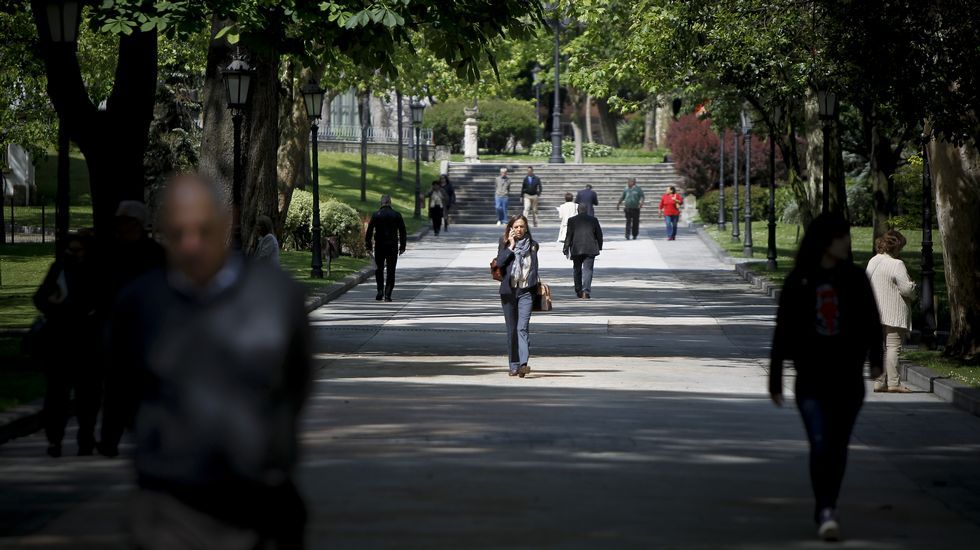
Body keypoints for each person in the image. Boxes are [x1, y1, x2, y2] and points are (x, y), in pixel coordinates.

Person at [108, 174, 311, 548]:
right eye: (178, 233)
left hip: (259, 499)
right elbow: (124, 385)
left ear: (225, 225)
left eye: (202, 230)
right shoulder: (141, 303)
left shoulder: (277, 297)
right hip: (170, 503)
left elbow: (297, 382)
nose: (191, 245)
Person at [769, 213, 884, 542]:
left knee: (837, 445)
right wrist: (775, 378)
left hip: (847, 379)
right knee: (820, 444)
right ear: (824, 240)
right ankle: (825, 509)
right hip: (811, 379)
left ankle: (829, 503)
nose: (847, 242)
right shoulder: (800, 280)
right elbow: (783, 330)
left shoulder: (854, 279)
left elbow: (871, 322)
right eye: (841, 236)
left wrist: (876, 360)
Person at [98, 201, 166, 457]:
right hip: (116, 327)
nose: (122, 228)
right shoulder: (109, 253)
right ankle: (109, 440)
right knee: (114, 387)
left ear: (139, 225)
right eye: (120, 223)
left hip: (146, 329)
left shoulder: (155, 255)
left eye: (127, 223)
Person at [33, 231, 99, 457]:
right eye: (69, 250)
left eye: (77, 250)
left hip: (86, 342)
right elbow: (40, 297)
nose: (72, 254)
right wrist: (54, 304)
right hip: (60, 341)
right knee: (57, 396)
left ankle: (86, 438)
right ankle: (55, 439)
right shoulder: (59, 269)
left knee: (86, 396)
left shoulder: (93, 271)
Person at [866, 229, 916, 393]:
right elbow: (906, 290)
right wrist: (913, 287)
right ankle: (894, 383)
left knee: (881, 348)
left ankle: (880, 382)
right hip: (893, 311)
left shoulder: (873, 260)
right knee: (893, 347)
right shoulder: (897, 264)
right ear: (897, 247)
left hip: (874, 311)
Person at [496, 215, 539, 378]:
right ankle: (513, 365)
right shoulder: (504, 242)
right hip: (509, 292)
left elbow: (534, 268)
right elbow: (499, 263)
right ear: (511, 229)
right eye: (516, 227)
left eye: (522, 226)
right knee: (512, 330)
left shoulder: (533, 246)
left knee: (522, 327)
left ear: (526, 228)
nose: (519, 229)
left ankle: (523, 364)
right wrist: (511, 246)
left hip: (526, 292)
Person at [365, 195, 407, 302]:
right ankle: (388, 294)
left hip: (379, 245)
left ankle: (380, 291)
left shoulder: (376, 215)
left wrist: (368, 246)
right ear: (390, 202)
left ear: (381, 203)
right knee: (391, 270)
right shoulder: (397, 215)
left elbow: (369, 232)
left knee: (379, 269)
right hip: (392, 245)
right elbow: (402, 232)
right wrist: (402, 246)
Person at [563, 204, 603, 299]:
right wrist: (600, 246)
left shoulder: (572, 220)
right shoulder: (593, 220)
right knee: (588, 270)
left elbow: (569, 235)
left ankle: (578, 290)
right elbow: (599, 234)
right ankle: (586, 291)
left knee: (577, 269)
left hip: (576, 248)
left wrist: (566, 247)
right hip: (590, 248)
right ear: (587, 211)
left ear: (577, 210)